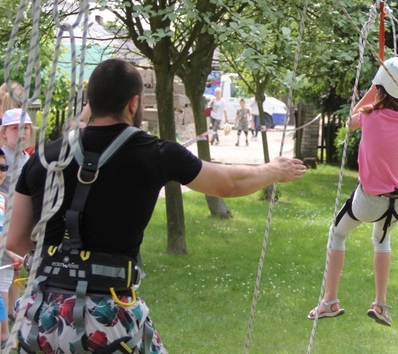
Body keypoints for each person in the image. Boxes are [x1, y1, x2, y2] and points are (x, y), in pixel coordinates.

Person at [7, 59, 307, 353]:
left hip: (38, 320)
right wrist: (274, 170)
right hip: (106, 320)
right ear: (134, 104)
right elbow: (227, 183)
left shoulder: (43, 158)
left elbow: (16, 240)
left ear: (90, 102)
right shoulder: (156, 153)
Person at [307, 56, 398, 327]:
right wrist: (385, 85)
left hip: (369, 201)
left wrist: (374, 85)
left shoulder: (370, 116)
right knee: (382, 241)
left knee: (337, 234)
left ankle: (329, 301)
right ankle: (380, 304)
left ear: (383, 89)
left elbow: (350, 120)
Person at [0, 107, 32, 329]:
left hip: (19, 221)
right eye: (15, 128)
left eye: (26, 128)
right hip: (4, 221)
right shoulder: (3, 156)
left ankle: (14, 311)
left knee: (16, 267)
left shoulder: (27, 157)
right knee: (6, 269)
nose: (21, 133)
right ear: (4, 133)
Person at [0, 148, 23, 350]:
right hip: (3, 253)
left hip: (4, 254)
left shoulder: (4, 197)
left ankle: (5, 334)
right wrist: (10, 253)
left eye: (3, 167)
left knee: (3, 289)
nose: (0, 172)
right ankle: (5, 334)